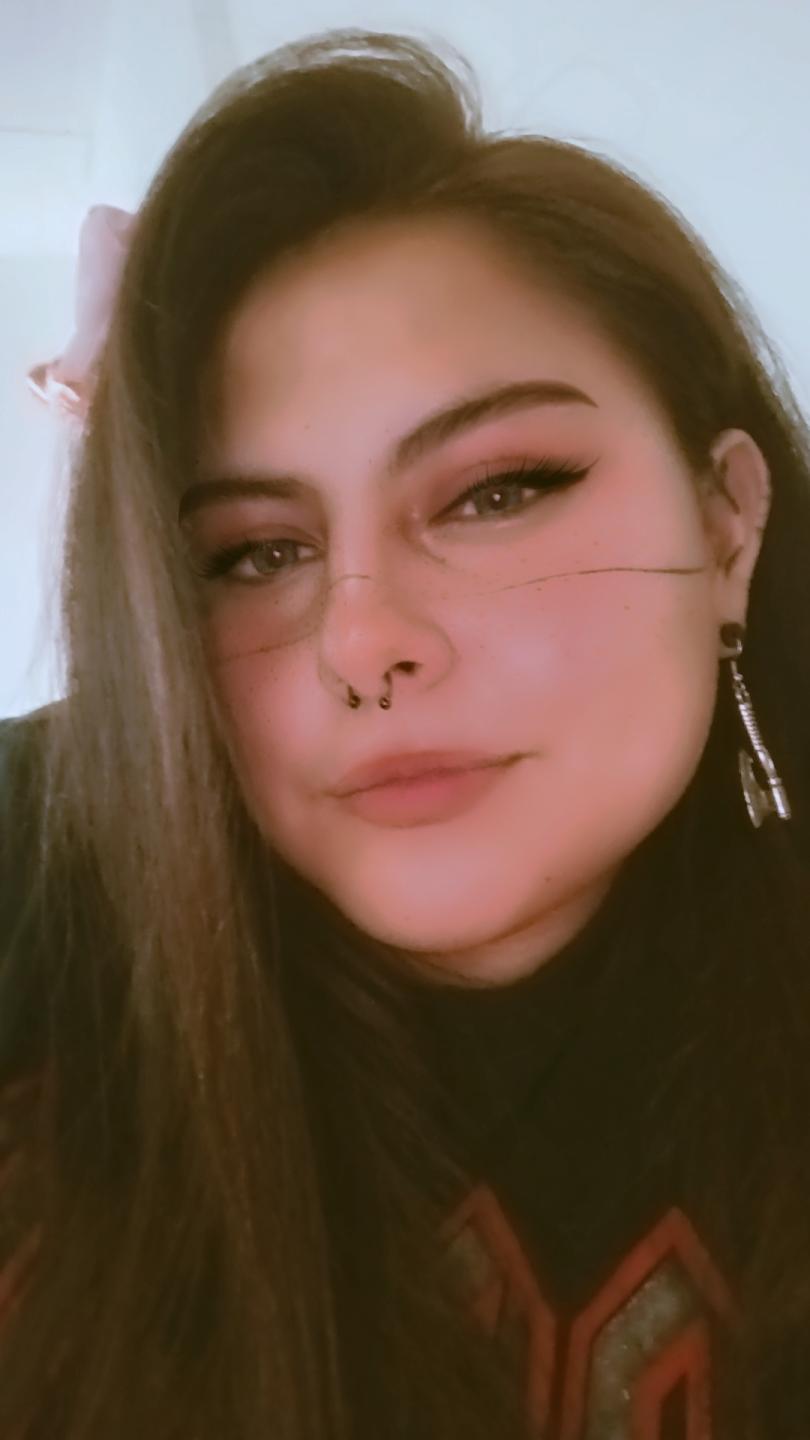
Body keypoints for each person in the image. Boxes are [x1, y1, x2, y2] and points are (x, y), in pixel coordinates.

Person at [2, 25, 810, 1440]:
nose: (362, 641)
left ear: (726, 523)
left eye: (498, 491)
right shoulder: (40, 884)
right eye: (252, 554)